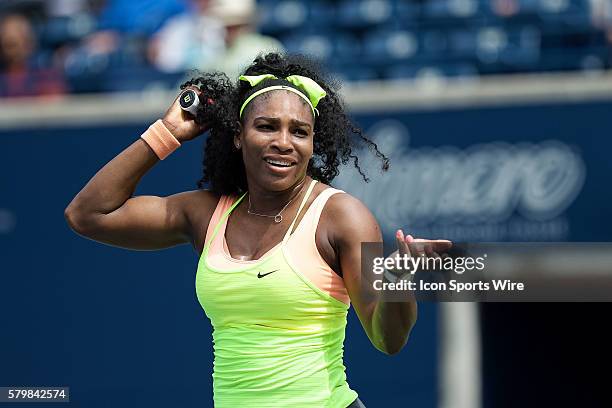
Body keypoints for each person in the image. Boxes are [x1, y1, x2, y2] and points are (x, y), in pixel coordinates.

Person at [64, 52, 450, 407]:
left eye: (299, 132)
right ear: (237, 136)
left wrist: (398, 282)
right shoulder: (207, 212)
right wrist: (167, 133)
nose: (284, 142)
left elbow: (388, 340)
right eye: (267, 127)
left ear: (314, 143)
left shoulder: (340, 216)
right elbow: (88, 214)